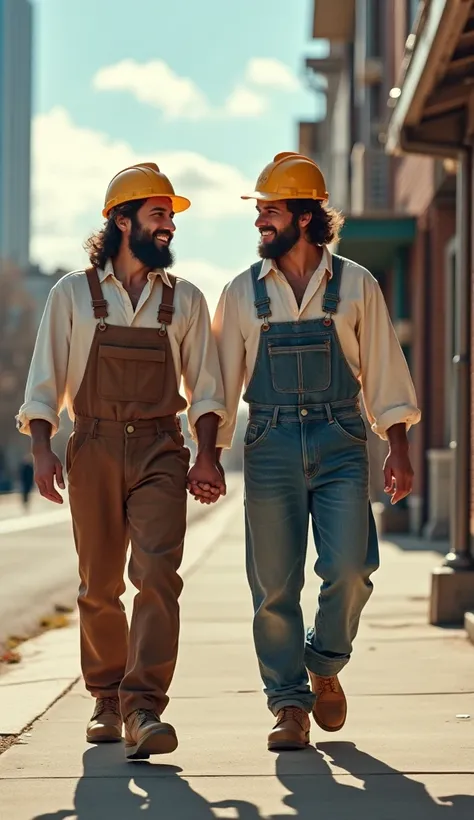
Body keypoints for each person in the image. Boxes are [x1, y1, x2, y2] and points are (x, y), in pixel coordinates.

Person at [17, 162, 227, 760]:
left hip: (163, 446)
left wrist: (207, 456)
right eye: (158, 215)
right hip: (94, 446)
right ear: (122, 219)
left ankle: (144, 706)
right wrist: (41, 449)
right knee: (99, 585)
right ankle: (106, 698)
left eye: (170, 218)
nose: (168, 227)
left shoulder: (184, 300)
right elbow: (44, 381)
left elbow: (207, 389)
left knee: (158, 576)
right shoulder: (71, 294)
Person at [211, 152, 421, 751]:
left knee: (352, 569)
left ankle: (323, 660)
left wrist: (397, 448)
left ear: (304, 217)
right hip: (270, 441)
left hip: (343, 440)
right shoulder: (240, 292)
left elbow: (384, 371)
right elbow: (218, 387)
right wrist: (207, 452)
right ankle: (287, 704)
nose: (260, 224)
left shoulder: (356, 284)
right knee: (273, 585)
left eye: (270, 212)